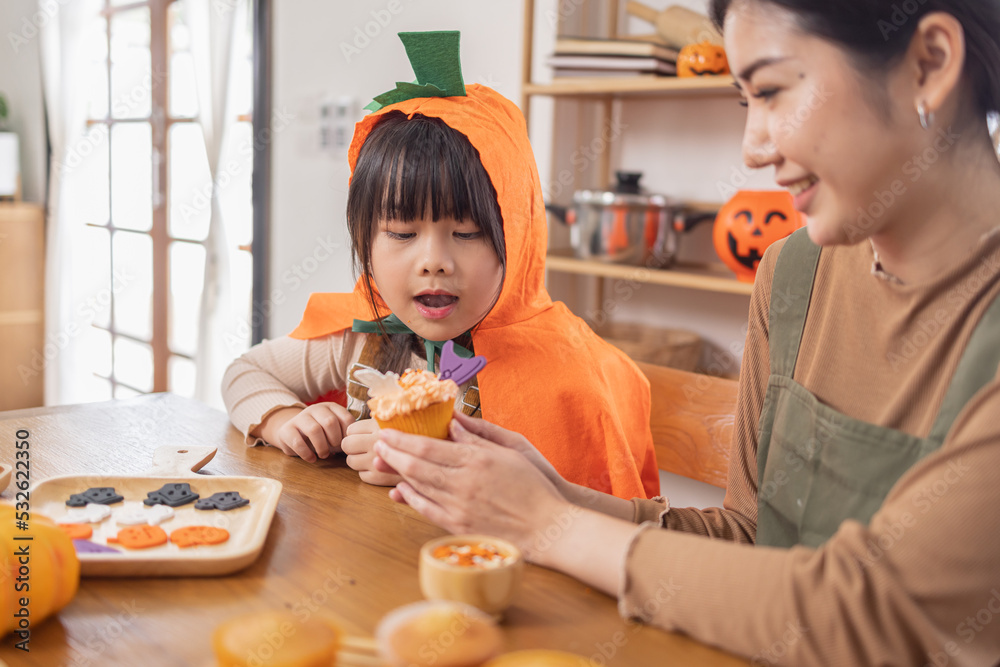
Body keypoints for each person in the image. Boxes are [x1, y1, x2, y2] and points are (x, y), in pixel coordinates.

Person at [370, 3, 1000, 664]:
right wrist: (559, 495)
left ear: (929, 64)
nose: (753, 148)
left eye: (775, 91)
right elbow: (753, 536)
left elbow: (879, 612)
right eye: (744, 103)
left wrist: (548, 525)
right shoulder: (796, 272)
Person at [221, 31, 660, 500]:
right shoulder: (364, 335)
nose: (433, 262)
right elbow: (242, 373)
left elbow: (582, 520)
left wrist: (429, 466)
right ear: (365, 240)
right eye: (403, 233)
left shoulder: (567, 381)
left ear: (518, 235)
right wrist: (286, 421)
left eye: (467, 233)